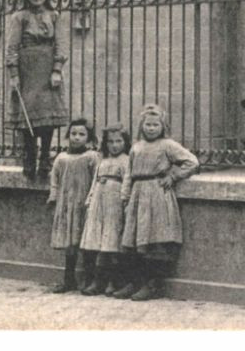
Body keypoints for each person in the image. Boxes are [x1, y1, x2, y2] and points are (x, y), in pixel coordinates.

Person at [112, 104, 198, 301]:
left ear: (163, 126)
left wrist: (173, 176)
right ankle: (134, 282)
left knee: (154, 239)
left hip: (157, 194)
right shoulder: (136, 147)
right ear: (142, 126)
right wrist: (125, 196)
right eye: (148, 125)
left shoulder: (168, 145)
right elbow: (129, 174)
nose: (151, 128)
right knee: (135, 239)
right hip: (137, 194)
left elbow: (192, 162)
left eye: (155, 125)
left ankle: (152, 285)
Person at [5, 0, 69, 180]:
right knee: (28, 117)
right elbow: (12, 47)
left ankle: (45, 159)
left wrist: (57, 70)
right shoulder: (19, 17)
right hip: (27, 71)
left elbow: (61, 44)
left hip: (48, 69)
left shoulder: (54, 16)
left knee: (48, 117)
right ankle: (30, 157)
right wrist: (14, 74)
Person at [47, 118, 99, 294]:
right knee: (70, 244)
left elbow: (96, 179)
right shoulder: (61, 158)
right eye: (74, 133)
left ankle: (89, 280)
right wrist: (53, 196)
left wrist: (92, 199)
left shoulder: (91, 157)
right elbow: (54, 179)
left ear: (89, 138)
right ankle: (69, 280)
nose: (77, 137)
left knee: (86, 243)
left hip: (84, 205)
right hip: (67, 205)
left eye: (82, 134)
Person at [79, 126, 131, 295]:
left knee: (112, 240)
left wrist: (124, 200)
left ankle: (113, 282)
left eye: (118, 141)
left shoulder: (126, 160)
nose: (114, 145)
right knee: (97, 240)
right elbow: (95, 181)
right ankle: (98, 281)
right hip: (99, 201)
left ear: (125, 142)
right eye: (110, 142)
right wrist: (90, 199)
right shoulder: (102, 160)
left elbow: (127, 182)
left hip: (114, 201)